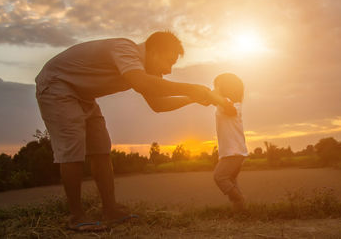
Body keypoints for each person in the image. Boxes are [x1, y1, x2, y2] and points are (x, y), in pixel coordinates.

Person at [35, 31, 236, 231]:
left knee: (101, 147)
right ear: (155, 51)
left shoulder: (147, 71)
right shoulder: (126, 49)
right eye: (169, 61)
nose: (168, 70)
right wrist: (191, 89)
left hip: (83, 94)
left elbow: (158, 104)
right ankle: (76, 217)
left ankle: (110, 210)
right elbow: (141, 83)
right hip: (57, 84)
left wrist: (192, 98)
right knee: (73, 146)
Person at [211, 73, 248, 212]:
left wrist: (212, 94)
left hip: (234, 152)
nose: (214, 89)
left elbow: (229, 108)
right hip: (232, 152)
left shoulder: (233, 105)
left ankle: (239, 199)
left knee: (220, 177)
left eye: (217, 86)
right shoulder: (224, 104)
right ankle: (240, 212)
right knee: (231, 181)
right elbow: (213, 99)